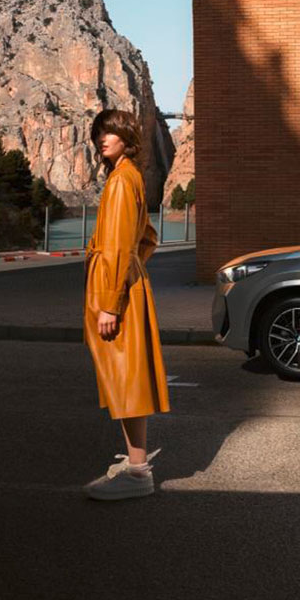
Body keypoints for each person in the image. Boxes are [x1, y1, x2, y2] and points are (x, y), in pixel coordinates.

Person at [81, 108, 170, 500]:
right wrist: (133, 270)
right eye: (99, 133)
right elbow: (148, 237)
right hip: (124, 283)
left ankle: (137, 473)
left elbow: (119, 246)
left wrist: (112, 302)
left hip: (114, 291)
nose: (104, 138)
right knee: (126, 376)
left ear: (126, 137)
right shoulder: (131, 177)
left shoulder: (120, 182)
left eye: (111, 132)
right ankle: (136, 463)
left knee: (124, 378)